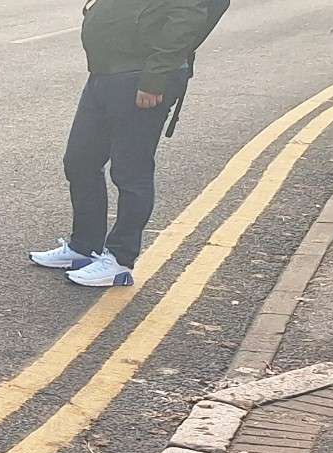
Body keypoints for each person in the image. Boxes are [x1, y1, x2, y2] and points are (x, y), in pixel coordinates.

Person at [29, 0, 225, 288]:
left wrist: (155, 77)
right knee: (80, 161)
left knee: (130, 171)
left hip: (141, 75)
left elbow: (186, 19)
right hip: (105, 72)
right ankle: (84, 247)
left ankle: (120, 261)